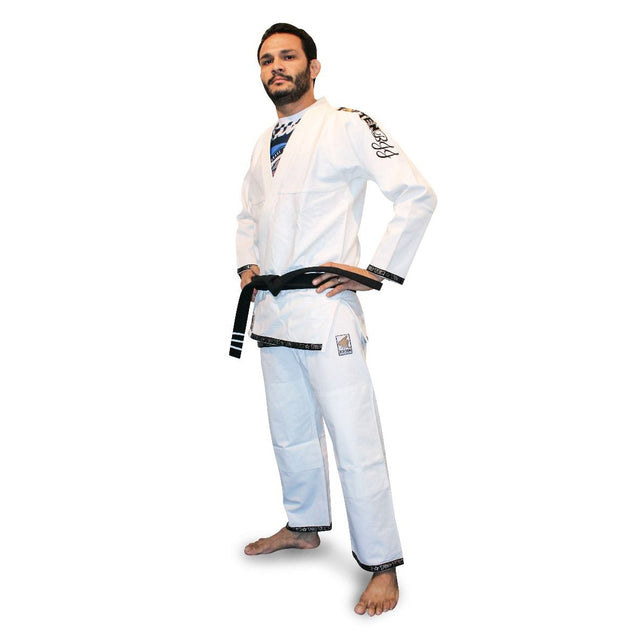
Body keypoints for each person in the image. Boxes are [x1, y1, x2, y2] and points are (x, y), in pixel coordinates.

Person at [233, 23, 436, 616]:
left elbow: (417, 195)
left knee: (354, 436)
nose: (276, 67)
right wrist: (246, 265)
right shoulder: (263, 142)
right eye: (266, 59)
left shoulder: (346, 125)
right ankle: (303, 524)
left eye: (287, 56)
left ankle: (382, 563)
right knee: (289, 426)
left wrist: (373, 271)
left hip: (325, 309)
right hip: (273, 307)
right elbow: (246, 214)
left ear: (313, 66)